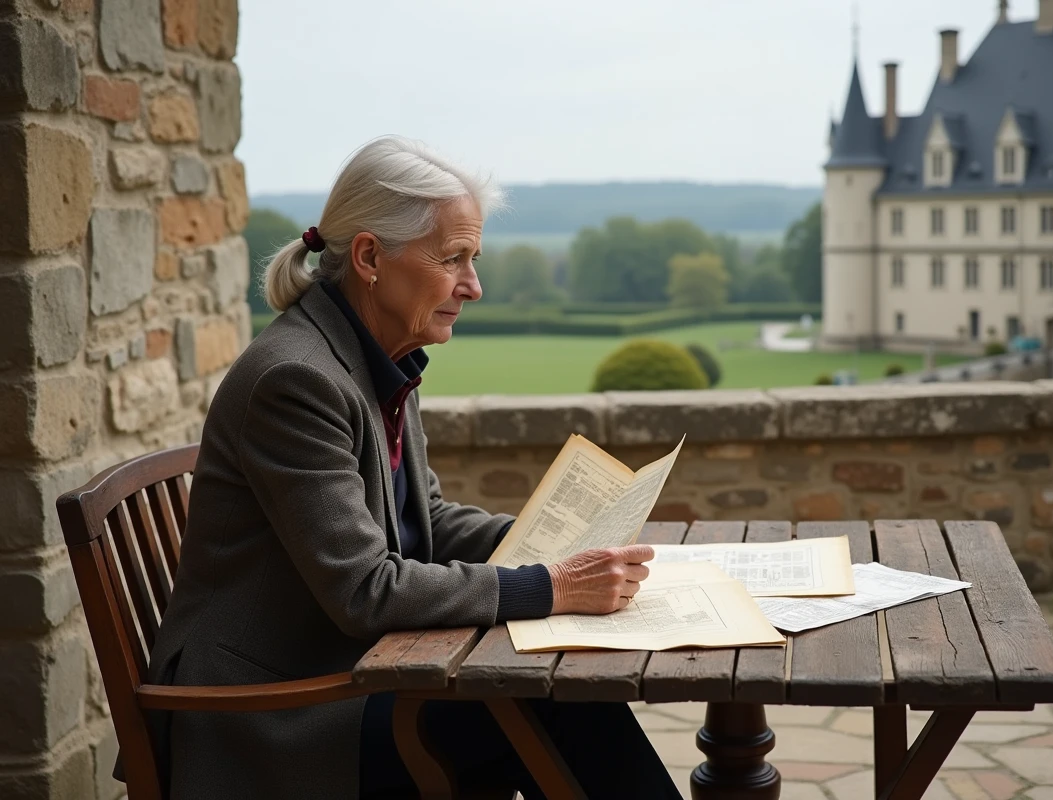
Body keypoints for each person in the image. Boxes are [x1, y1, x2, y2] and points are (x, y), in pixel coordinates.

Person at [145, 136, 683, 800]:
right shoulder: (295, 380)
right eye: (453, 258)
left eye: (473, 259)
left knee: (551, 701)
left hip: (356, 676)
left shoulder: (377, 356)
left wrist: (561, 544)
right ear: (371, 257)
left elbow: (425, 521)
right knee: (545, 704)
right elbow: (365, 589)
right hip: (279, 712)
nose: (474, 286)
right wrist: (549, 587)